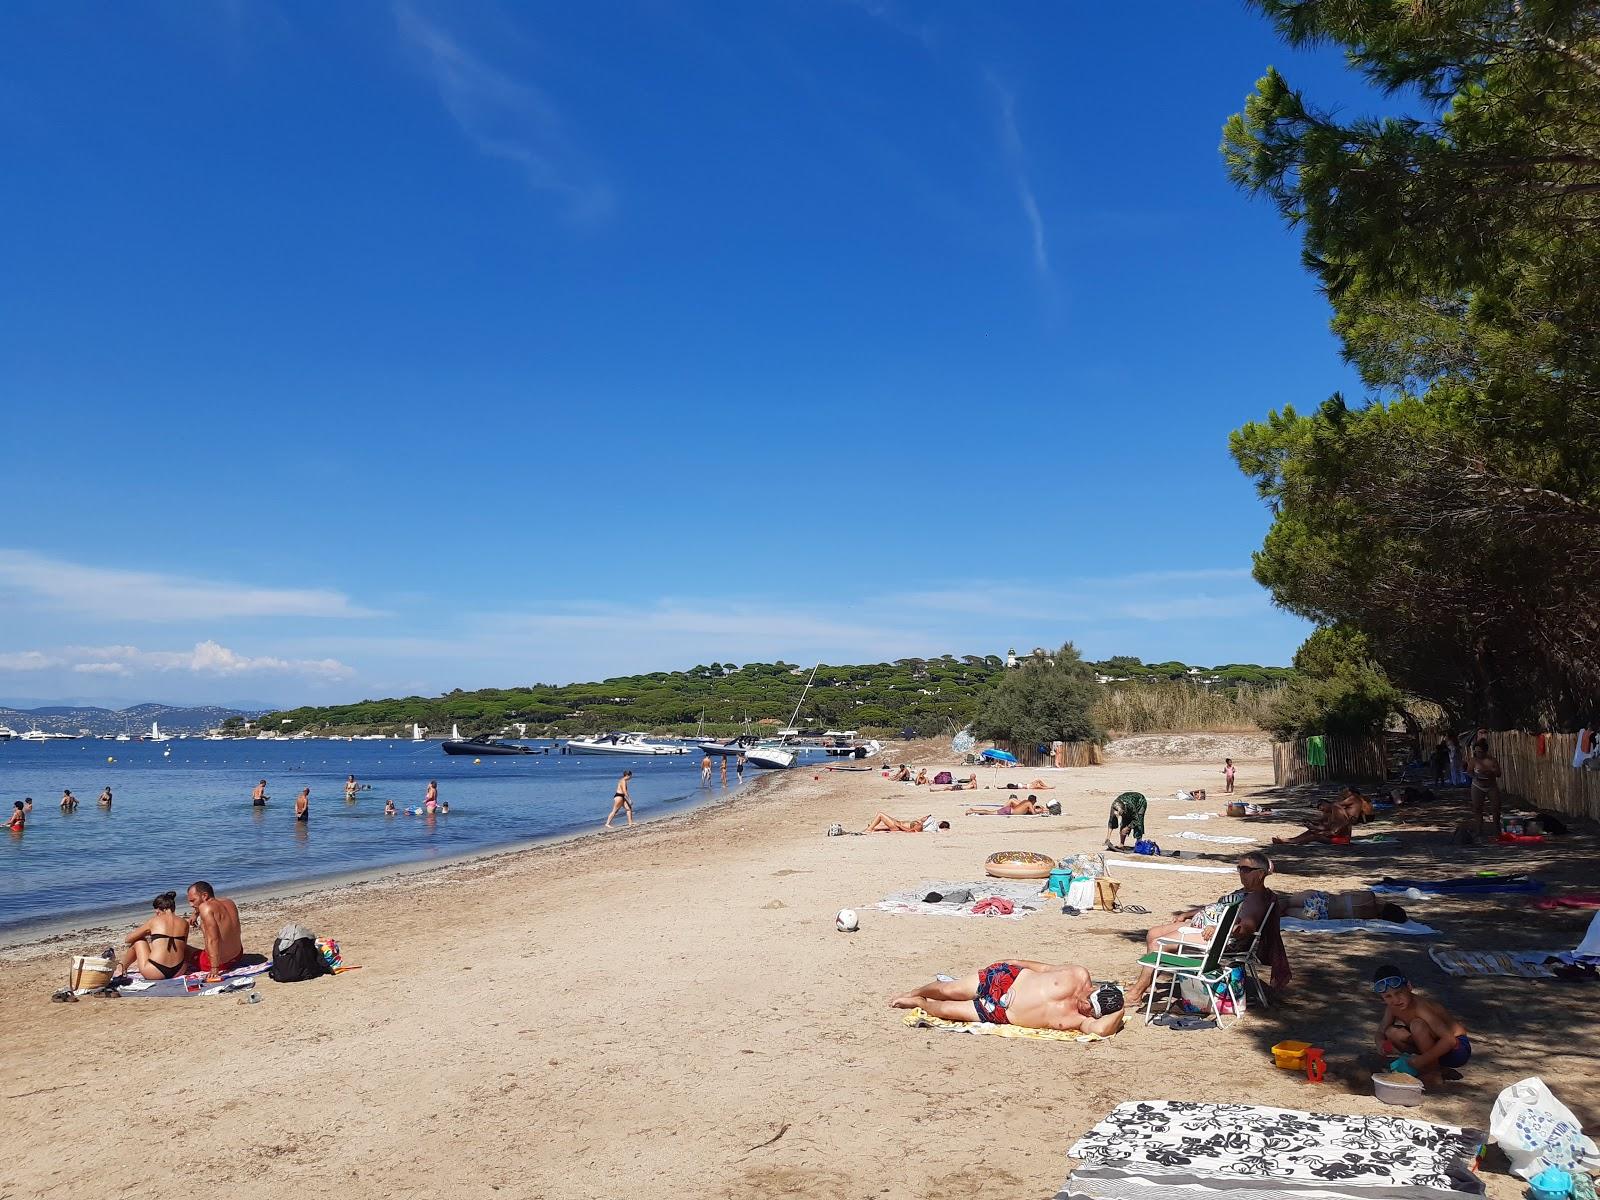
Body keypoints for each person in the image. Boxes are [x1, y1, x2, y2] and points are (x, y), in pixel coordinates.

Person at [1125, 851, 1285, 1007]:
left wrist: (1219, 929)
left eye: (1246, 870)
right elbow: (1217, 907)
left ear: (1260, 874)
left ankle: (1136, 994)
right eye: (1240, 868)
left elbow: (1246, 928)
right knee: (1154, 932)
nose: (1241, 873)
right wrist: (1187, 914)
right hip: (1208, 929)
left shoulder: (1256, 899)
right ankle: (1149, 984)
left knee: (1159, 943)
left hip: (1221, 939)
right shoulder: (1245, 892)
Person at [889, 960, 1125, 1036]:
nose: (1084, 1008)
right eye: (1089, 1001)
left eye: (1090, 1010)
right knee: (949, 990)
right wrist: (1013, 962)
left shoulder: (1080, 1020)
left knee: (947, 1011)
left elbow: (1101, 1031)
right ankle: (917, 992)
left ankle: (920, 1003)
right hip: (1007, 980)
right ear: (1094, 988)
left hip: (999, 1013)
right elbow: (1042, 968)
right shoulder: (1077, 975)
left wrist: (1119, 1008)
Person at [1372, 964, 1471, 1086]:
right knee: (1391, 1032)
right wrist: (1381, 1043)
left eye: (1399, 993)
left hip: (1457, 1049)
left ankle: (1433, 1072)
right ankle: (1435, 1066)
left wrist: (1422, 1060)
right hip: (1437, 1046)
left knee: (1417, 1025)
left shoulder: (1421, 1007)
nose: (1396, 1000)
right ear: (1382, 998)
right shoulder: (1392, 1008)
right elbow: (1381, 1032)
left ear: (1409, 987)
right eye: (1388, 996)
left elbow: (1449, 1040)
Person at [118, 891, 191, 980]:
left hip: (155, 971)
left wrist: (147, 932)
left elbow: (128, 939)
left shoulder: (154, 921)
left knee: (139, 941)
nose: (156, 915)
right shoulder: (184, 923)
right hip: (179, 970)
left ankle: (122, 967)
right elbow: (183, 946)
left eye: (157, 912)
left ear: (163, 909)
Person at [186, 881, 243, 974]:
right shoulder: (229, 902)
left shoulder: (205, 908)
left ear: (204, 896)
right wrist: (195, 913)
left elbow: (213, 940)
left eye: (193, 900)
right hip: (237, 956)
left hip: (219, 964)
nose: (191, 905)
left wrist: (214, 968)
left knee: (183, 949)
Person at [1281, 888, 1408, 923]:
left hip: (1322, 900)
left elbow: (1345, 894)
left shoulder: (1369, 896)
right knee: (1286, 912)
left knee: (1286, 902)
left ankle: (1261, 908)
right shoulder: (1372, 917)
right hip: (1320, 915)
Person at [1468, 740, 1503, 836]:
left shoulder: (1492, 760)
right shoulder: (1473, 760)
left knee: (1496, 807)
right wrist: (1476, 775)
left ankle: (1497, 828)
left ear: (1485, 751)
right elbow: (1469, 772)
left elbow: (1499, 773)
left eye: (1480, 752)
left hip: (1491, 785)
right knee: (1477, 808)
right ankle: (1479, 829)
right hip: (1477, 785)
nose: (1478, 754)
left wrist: (1491, 771)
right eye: (1476, 751)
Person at [969, 795, 1045, 815]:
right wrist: (1040, 811)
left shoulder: (1025, 801)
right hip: (1009, 811)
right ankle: (972, 811)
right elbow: (1033, 813)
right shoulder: (1029, 803)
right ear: (1033, 801)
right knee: (989, 812)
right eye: (1035, 801)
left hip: (1009, 810)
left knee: (990, 812)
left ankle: (974, 811)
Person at [865, 813, 945, 832]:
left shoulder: (920, 825)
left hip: (897, 826)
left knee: (880, 815)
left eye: (926, 817)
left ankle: (868, 830)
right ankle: (871, 828)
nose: (924, 817)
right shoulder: (919, 822)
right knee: (874, 824)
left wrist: (899, 825)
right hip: (897, 824)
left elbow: (910, 831)